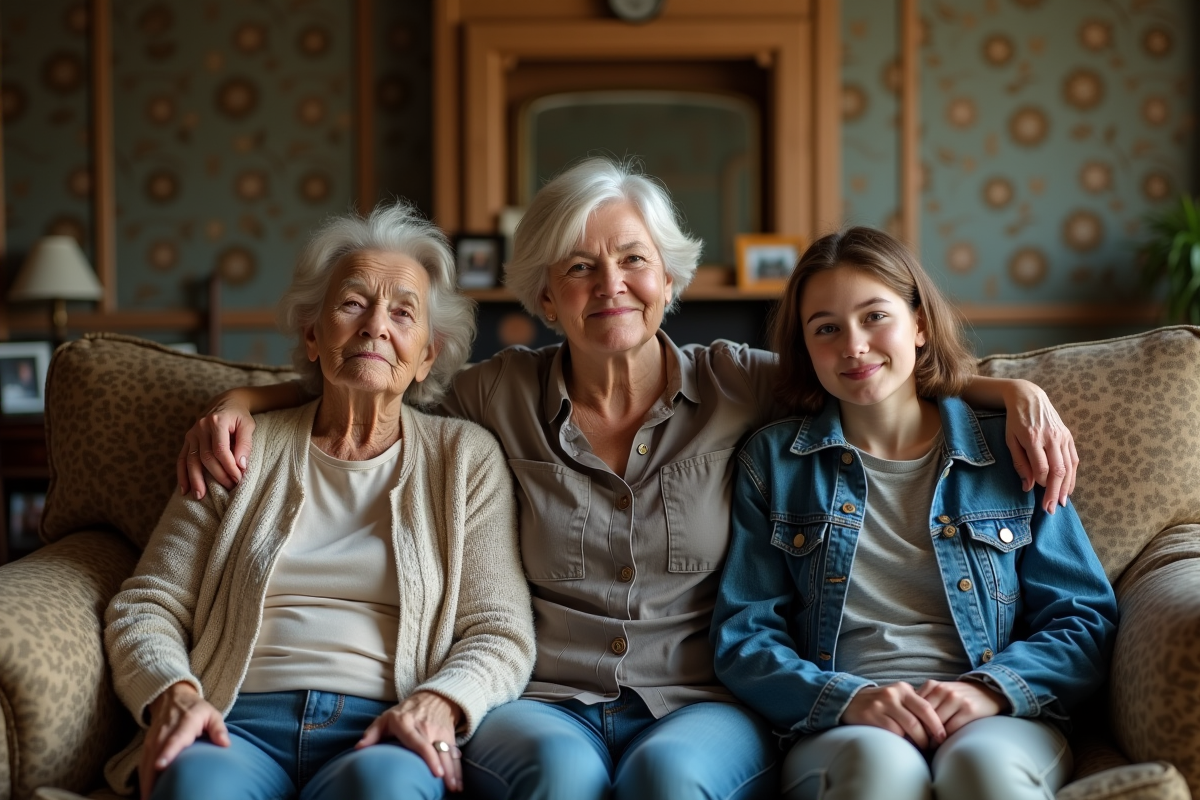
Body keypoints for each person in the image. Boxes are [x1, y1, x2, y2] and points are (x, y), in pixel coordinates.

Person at [175, 159, 1080, 800]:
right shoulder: (494, 395)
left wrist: (1008, 391)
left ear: (668, 280)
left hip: (698, 700)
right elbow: (374, 376)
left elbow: (869, 371)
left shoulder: (740, 384)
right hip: (544, 700)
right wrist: (246, 400)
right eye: (580, 266)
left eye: (633, 259)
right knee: (559, 777)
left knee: (667, 778)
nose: (610, 283)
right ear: (546, 296)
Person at [103, 203, 535, 800]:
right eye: (353, 303)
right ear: (313, 334)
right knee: (196, 789)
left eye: (403, 312)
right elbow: (149, 603)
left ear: (426, 356)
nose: (375, 326)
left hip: (384, 730)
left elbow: (500, 630)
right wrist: (174, 694)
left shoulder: (465, 460)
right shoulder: (240, 445)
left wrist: (438, 702)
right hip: (235, 722)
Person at [711, 227, 1117, 800]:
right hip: (845, 719)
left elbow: (1082, 616)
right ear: (804, 347)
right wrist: (846, 698)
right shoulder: (773, 463)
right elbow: (744, 634)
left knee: (983, 772)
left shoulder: (1011, 448)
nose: (853, 345)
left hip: (996, 713)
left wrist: (990, 690)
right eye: (826, 328)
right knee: (878, 773)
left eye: (875, 316)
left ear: (919, 324)